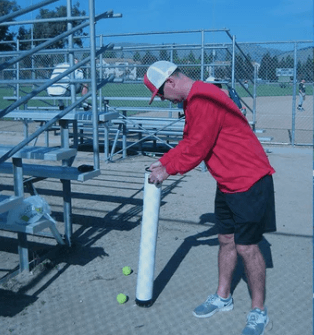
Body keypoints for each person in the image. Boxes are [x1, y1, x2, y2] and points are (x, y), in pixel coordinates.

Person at [143, 61, 276, 335]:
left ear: (170, 82)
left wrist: (167, 170)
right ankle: (223, 296)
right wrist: (164, 161)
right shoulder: (193, 101)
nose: (164, 101)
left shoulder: (204, 97)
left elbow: (198, 148)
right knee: (226, 239)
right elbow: (189, 141)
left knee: (247, 247)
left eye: (161, 95)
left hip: (249, 181)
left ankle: (258, 310)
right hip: (227, 181)